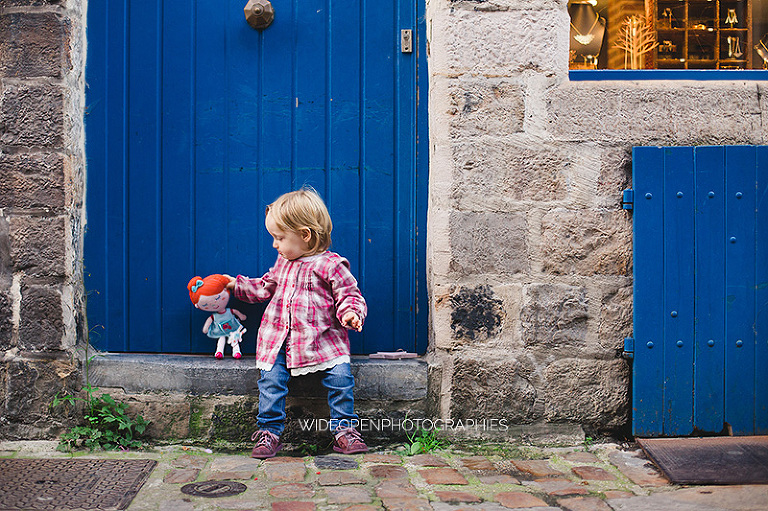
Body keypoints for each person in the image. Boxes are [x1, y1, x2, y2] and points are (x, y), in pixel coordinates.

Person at [226, 187, 368, 458]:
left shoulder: (331, 265)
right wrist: (236, 285)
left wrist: (351, 313)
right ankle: (269, 431)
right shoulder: (283, 263)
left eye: (279, 238)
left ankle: (344, 430)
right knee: (271, 381)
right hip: (279, 338)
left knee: (341, 379)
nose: (275, 245)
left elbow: (349, 294)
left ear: (304, 235)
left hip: (323, 339)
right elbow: (264, 287)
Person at [187, 274, 246, 359]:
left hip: (232, 328)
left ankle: (236, 351)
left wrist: (241, 316)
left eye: (218, 297)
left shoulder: (230, 311)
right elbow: (209, 321)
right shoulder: (214, 316)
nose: (214, 305)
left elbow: (237, 312)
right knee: (221, 339)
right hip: (220, 330)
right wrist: (205, 328)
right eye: (206, 305)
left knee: (234, 339)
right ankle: (219, 351)